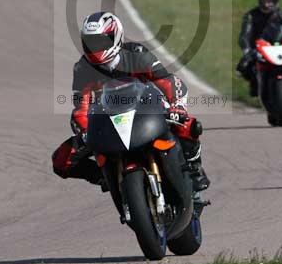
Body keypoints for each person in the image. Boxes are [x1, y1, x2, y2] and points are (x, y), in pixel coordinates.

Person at [52, 11, 210, 193]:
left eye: (100, 42)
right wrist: (86, 131)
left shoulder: (136, 53)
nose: (95, 48)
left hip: (148, 111)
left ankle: (194, 168)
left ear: (116, 37)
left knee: (189, 125)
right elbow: (81, 108)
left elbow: (171, 83)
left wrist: (178, 107)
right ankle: (103, 176)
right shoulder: (83, 68)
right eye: (90, 43)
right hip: (110, 121)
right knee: (61, 160)